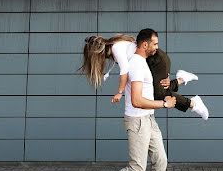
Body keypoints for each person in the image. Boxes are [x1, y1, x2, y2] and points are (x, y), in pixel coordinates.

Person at [80, 29, 175, 171]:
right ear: (145, 45)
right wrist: (164, 104)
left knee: (161, 161)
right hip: (138, 120)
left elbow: (152, 80)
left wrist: (168, 80)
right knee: (137, 168)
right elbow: (138, 100)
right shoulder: (135, 64)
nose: (158, 48)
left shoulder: (137, 59)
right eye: (155, 44)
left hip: (148, 119)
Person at [80, 34, 209, 119]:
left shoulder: (115, 48)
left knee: (159, 95)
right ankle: (182, 78)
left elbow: (124, 71)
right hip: (155, 61)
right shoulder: (116, 47)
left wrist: (119, 92)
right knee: (161, 90)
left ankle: (194, 103)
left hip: (157, 61)